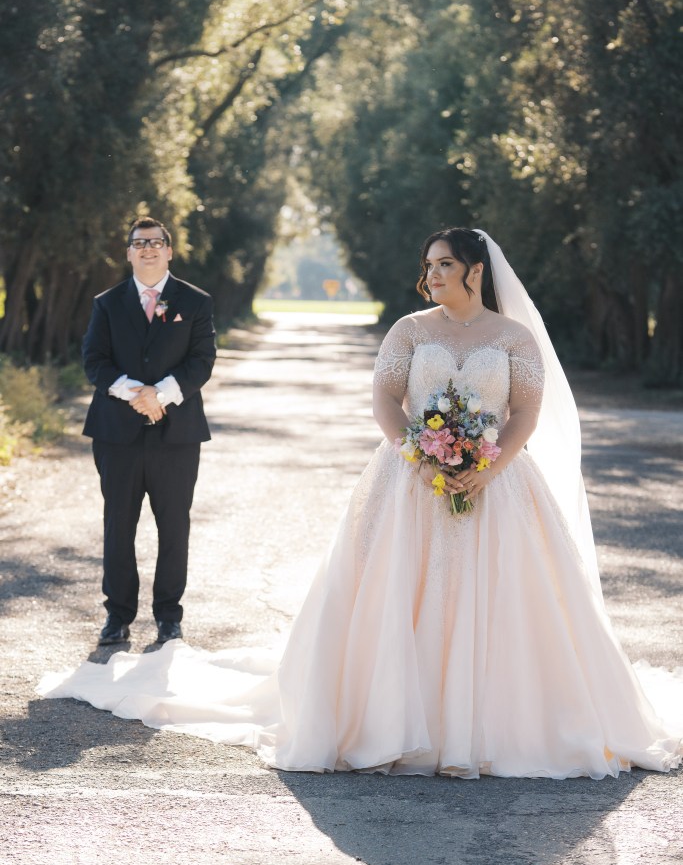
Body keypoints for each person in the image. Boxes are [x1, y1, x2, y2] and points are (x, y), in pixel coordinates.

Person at [40, 228, 682, 779]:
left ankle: (494, 728)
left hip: (498, 484)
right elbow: (385, 402)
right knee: (398, 593)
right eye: (428, 265)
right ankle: (392, 722)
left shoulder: (514, 337)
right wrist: (422, 452)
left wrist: (484, 469)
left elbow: (527, 411)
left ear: (476, 271)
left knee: (506, 600)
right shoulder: (408, 330)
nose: (430, 275)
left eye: (444, 265)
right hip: (408, 479)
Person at [82, 216, 216, 646]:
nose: (149, 249)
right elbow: (94, 360)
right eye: (140, 243)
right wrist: (132, 393)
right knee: (118, 524)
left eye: (157, 242)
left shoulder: (194, 301)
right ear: (128, 253)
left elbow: (201, 361)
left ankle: (168, 616)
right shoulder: (107, 303)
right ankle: (117, 616)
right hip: (116, 435)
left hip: (176, 435)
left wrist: (160, 395)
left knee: (174, 525)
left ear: (170, 251)